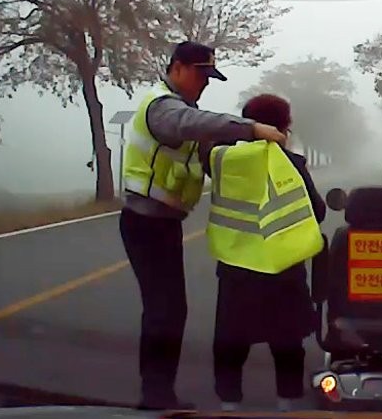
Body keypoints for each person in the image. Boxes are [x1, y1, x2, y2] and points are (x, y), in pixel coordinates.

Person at [119, 42, 287, 410]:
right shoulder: (162, 107)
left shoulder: (184, 108)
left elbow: (210, 153)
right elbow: (195, 125)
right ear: (177, 68)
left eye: (210, 77)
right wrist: (253, 128)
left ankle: (159, 391)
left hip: (163, 224)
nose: (205, 83)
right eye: (200, 74)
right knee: (165, 309)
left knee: (170, 308)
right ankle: (156, 396)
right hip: (144, 223)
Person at [199, 94, 327, 412]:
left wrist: (244, 131)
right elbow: (318, 211)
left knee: (231, 340)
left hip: (235, 264)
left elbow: (208, 143)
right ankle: (287, 401)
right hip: (282, 267)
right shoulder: (291, 164)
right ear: (285, 125)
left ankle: (229, 403)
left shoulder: (222, 160)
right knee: (286, 341)